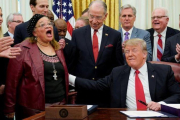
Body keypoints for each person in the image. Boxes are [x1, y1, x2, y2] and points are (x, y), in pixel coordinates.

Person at [69, 38, 180, 111]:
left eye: (134, 50)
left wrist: (161, 104)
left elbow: (177, 95)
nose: (130, 54)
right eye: (127, 51)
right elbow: (96, 86)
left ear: (144, 54)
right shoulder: (118, 73)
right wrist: (68, 77)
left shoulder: (163, 71)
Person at [4, 14, 69, 119]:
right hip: (35, 109)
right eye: (42, 25)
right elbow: (12, 83)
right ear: (34, 32)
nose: (48, 26)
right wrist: (9, 110)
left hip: (61, 106)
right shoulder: (22, 49)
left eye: (49, 24)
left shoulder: (57, 48)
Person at [70, 0, 124, 107]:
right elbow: (73, 62)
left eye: (98, 17)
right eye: (91, 16)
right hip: (83, 91)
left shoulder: (115, 35)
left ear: (105, 16)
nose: (94, 21)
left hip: (106, 92)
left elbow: (118, 65)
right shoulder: (77, 34)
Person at [0, 7, 21, 119]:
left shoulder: (23, 40)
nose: (0, 19)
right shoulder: (3, 39)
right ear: (9, 23)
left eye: (1, 15)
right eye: (18, 22)